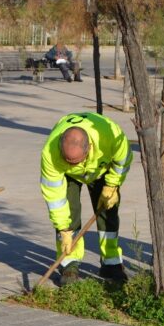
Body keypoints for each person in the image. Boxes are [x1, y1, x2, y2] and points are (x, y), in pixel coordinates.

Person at [40, 112, 132, 285]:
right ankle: (69, 264)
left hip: (101, 170)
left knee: (108, 215)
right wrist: (63, 229)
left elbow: (123, 159)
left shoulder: (110, 136)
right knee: (69, 213)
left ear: (89, 147)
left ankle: (111, 263)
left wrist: (111, 185)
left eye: (75, 161)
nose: (73, 165)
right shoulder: (51, 153)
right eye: (68, 161)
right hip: (68, 176)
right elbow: (54, 197)